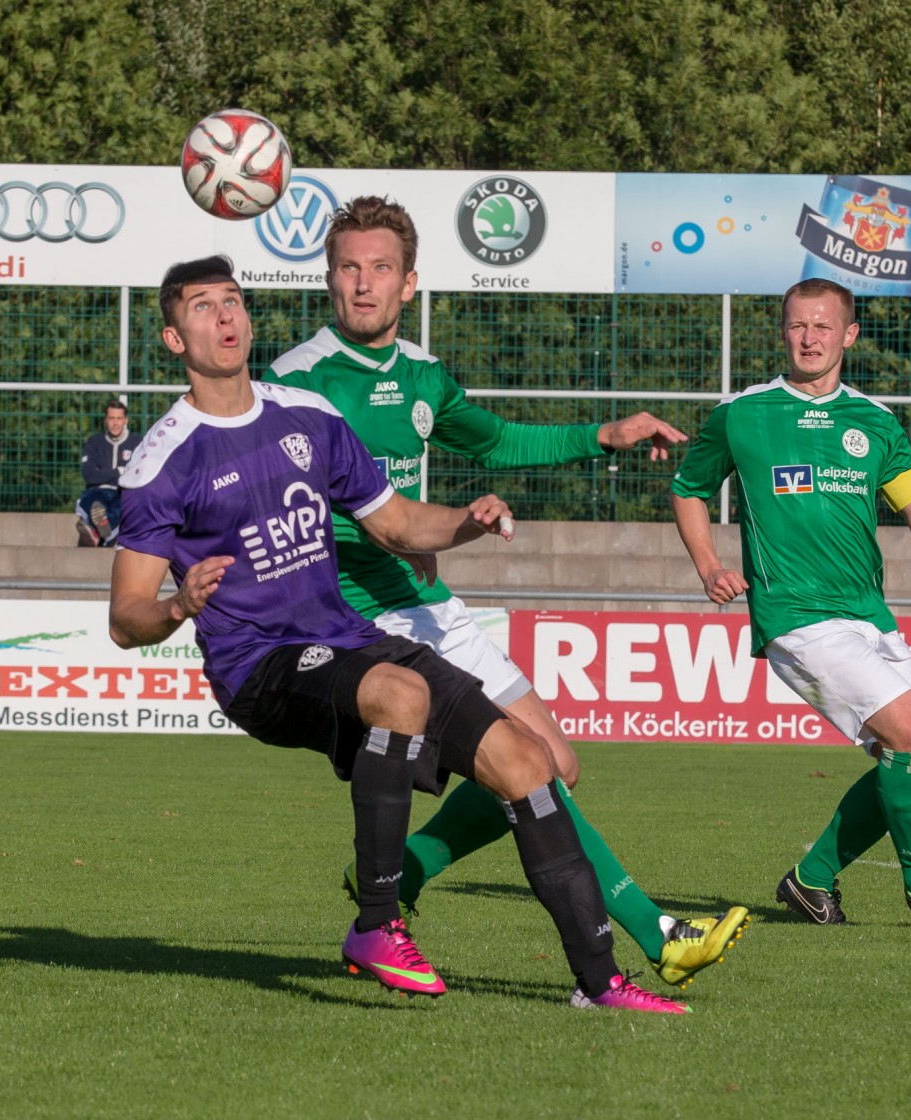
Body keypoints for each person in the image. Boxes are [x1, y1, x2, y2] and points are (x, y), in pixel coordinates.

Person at [109, 254, 688, 1014]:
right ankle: (376, 925)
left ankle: (601, 982)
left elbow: (394, 523)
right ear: (173, 339)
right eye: (202, 309)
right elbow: (126, 618)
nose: (224, 318)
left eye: (233, 302)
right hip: (257, 665)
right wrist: (179, 603)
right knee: (399, 693)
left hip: (343, 636)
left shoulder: (308, 418)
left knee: (528, 758)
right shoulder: (163, 457)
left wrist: (466, 523)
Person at [264, 196, 749, 988]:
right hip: (359, 613)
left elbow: (494, 439)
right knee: (528, 765)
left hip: (426, 597)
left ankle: (405, 874)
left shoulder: (421, 375)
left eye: (379, 268)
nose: (363, 284)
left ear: (409, 283)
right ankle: (659, 933)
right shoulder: (298, 381)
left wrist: (602, 435)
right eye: (349, 268)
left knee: (557, 760)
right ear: (329, 280)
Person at [669, 277, 911, 927]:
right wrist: (709, 566)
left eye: (823, 326)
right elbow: (688, 488)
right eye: (797, 325)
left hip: (869, 616)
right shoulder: (743, 414)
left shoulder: (873, 423)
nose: (809, 338)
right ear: (782, 331)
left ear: (849, 334)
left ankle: (811, 879)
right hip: (795, 615)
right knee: (907, 732)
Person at [76, 400, 141, 546]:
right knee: (91, 502)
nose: (115, 423)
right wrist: (119, 471)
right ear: (106, 420)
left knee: (123, 507)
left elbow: (138, 474)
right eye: (111, 418)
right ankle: (103, 532)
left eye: (119, 418)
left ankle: (95, 533)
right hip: (97, 491)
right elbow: (89, 475)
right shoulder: (94, 442)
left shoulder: (137, 443)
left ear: (126, 420)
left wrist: (104, 473)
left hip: (123, 492)